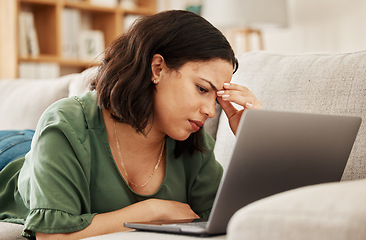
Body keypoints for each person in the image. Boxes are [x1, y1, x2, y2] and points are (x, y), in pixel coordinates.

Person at [0, 10, 262, 239]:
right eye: (202, 88)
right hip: (12, 151)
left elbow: (230, 221)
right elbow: (51, 237)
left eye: (216, 97)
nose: (210, 111)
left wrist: (254, 141)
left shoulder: (193, 140)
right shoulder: (67, 124)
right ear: (157, 68)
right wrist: (150, 211)